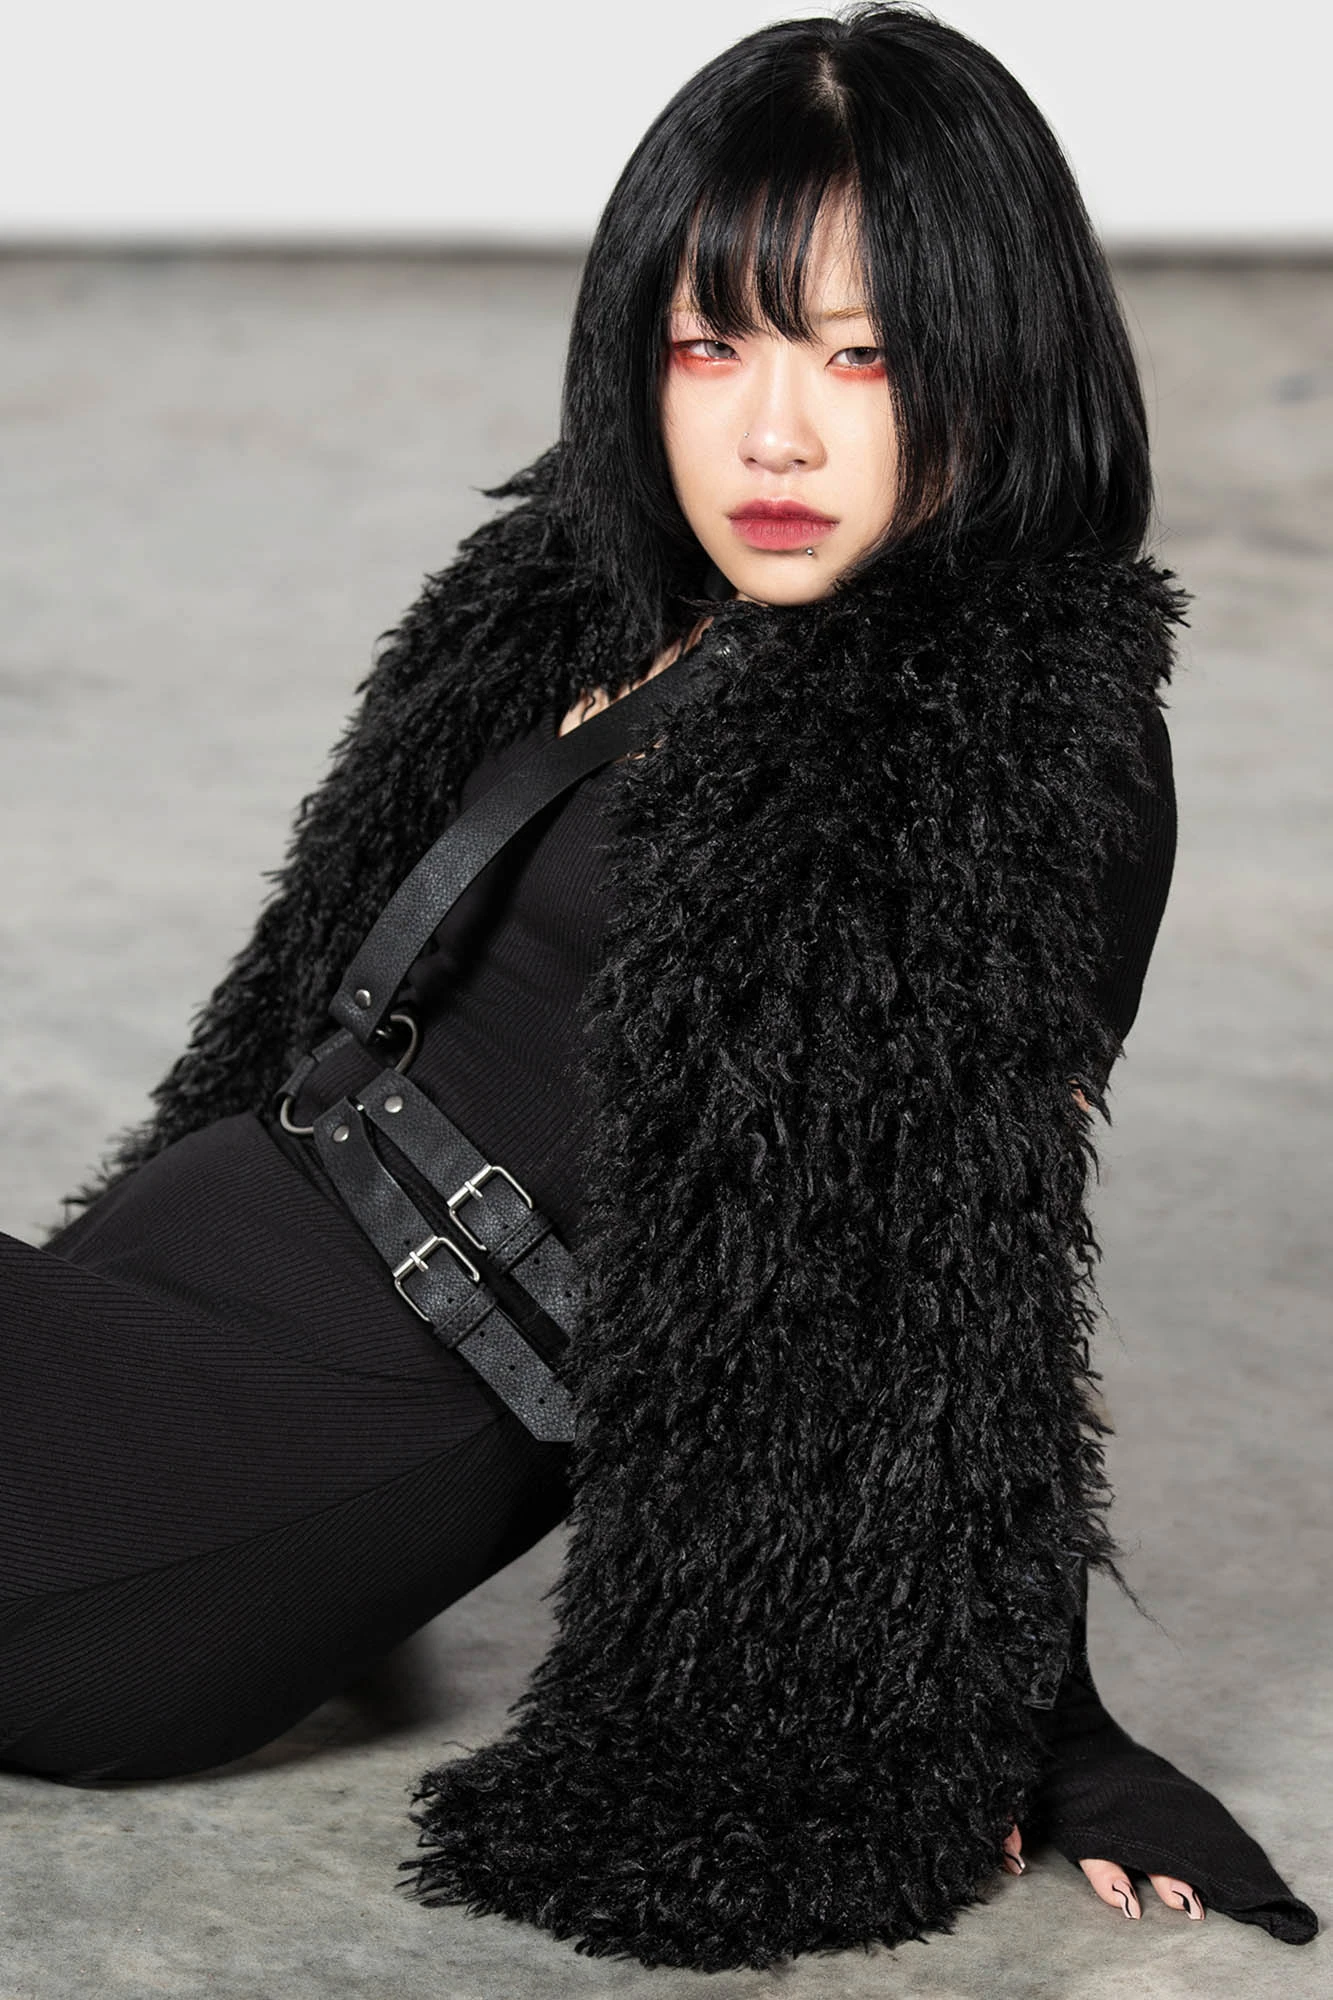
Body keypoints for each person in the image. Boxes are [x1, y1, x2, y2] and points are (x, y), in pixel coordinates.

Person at [0, 1, 1315, 1973]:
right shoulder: (591, 586)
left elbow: (941, 1269)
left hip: (242, 1473)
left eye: (864, 355)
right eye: (716, 345)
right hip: (155, 1298)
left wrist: (1031, 1719)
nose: (774, 432)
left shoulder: (996, 748)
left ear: (1001, 353)